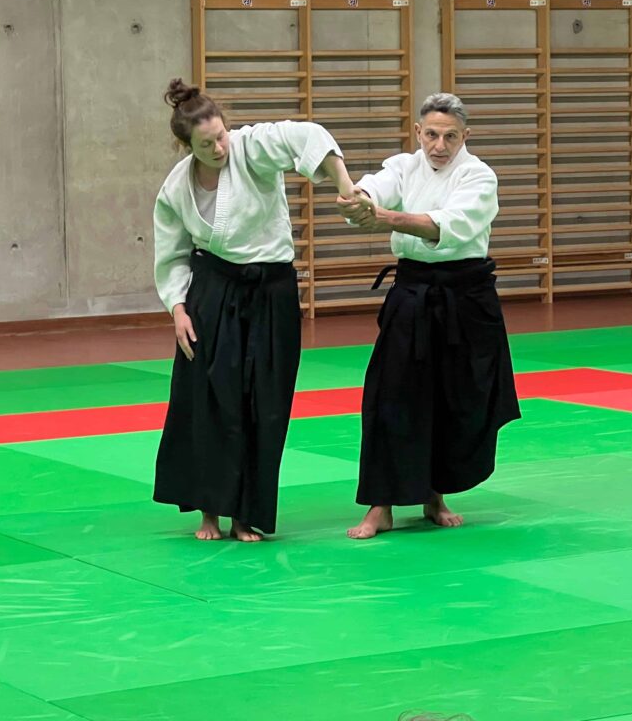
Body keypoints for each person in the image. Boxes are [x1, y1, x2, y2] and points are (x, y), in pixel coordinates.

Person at [153, 78, 357, 542]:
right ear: (186, 145)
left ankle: (246, 513)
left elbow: (306, 136)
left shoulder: (252, 147)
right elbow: (171, 253)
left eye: (221, 135)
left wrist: (343, 181)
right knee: (208, 400)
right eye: (206, 144)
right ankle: (210, 510)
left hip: (271, 292)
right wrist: (178, 308)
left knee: (264, 404)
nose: (219, 146)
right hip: (212, 293)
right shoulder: (176, 187)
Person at [339, 92, 521, 540]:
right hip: (413, 293)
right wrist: (360, 199)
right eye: (432, 134)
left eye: (451, 136)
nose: (440, 145)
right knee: (389, 397)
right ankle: (379, 506)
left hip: (466, 299)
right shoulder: (405, 165)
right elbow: (376, 184)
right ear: (418, 132)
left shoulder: (478, 176)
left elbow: (445, 224)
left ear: (466, 137)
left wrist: (384, 218)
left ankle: (434, 495)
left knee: (456, 400)